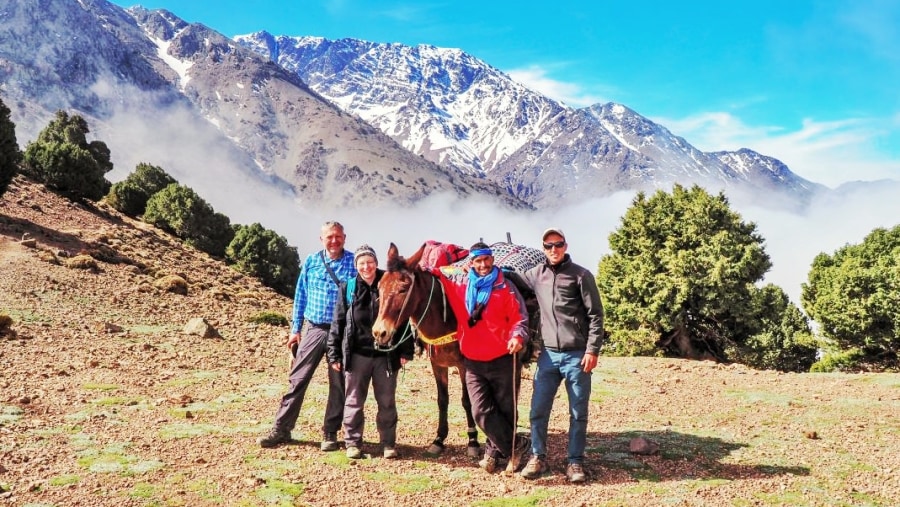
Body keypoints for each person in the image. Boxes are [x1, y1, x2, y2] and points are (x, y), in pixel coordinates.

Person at [433, 242, 531, 473]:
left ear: (492, 260)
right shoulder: (461, 287)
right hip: (473, 361)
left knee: (505, 409)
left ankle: (492, 452)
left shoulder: (505, 288)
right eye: (478, 261)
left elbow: (520, 318)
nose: (483, 264)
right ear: (472, 263)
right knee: (480, 411)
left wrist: (518, 336)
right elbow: (436, 272)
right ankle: (518, 445)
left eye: (486, 259)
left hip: (502, 358)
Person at [258, 221, 356, 451]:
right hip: (314, 329)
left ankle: (330, 433)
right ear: (321, 239)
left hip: (342, 333)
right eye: (329, 237)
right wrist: (295, 329)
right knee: (297, 380)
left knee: (339, 384)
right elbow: (300, 295)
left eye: (338, 236)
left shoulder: (354, 262)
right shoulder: (312, 261)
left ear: (344, 237)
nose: (334, 241)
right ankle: (281, 428)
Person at [519, 228, 604, 484]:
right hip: (548, 355)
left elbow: (596, 315)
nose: (553, 249)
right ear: (543, 248)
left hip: (577, 355)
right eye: (548, 245)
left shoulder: (581, 276)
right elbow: (512, 279)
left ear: (565, 246)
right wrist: (483, 269)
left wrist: (592, 350)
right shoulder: (537, 274)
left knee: (578, 412)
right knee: (538, 409)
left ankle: (575, 462)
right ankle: (537, 457)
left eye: (557, 244)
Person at [327, 245, 414, 459]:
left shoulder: (388, 283)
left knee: (386, 401)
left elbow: (401, 318)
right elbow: (338, 322)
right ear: (356, 266)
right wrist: (334, 353)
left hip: (385, 355)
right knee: (354, 400)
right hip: (357, 354)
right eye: (361, 263)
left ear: (376, 263)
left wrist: (406, 350)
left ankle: (388, 443)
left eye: (370, 262)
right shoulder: (348, 288)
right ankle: (353, 443)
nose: (366, 267)